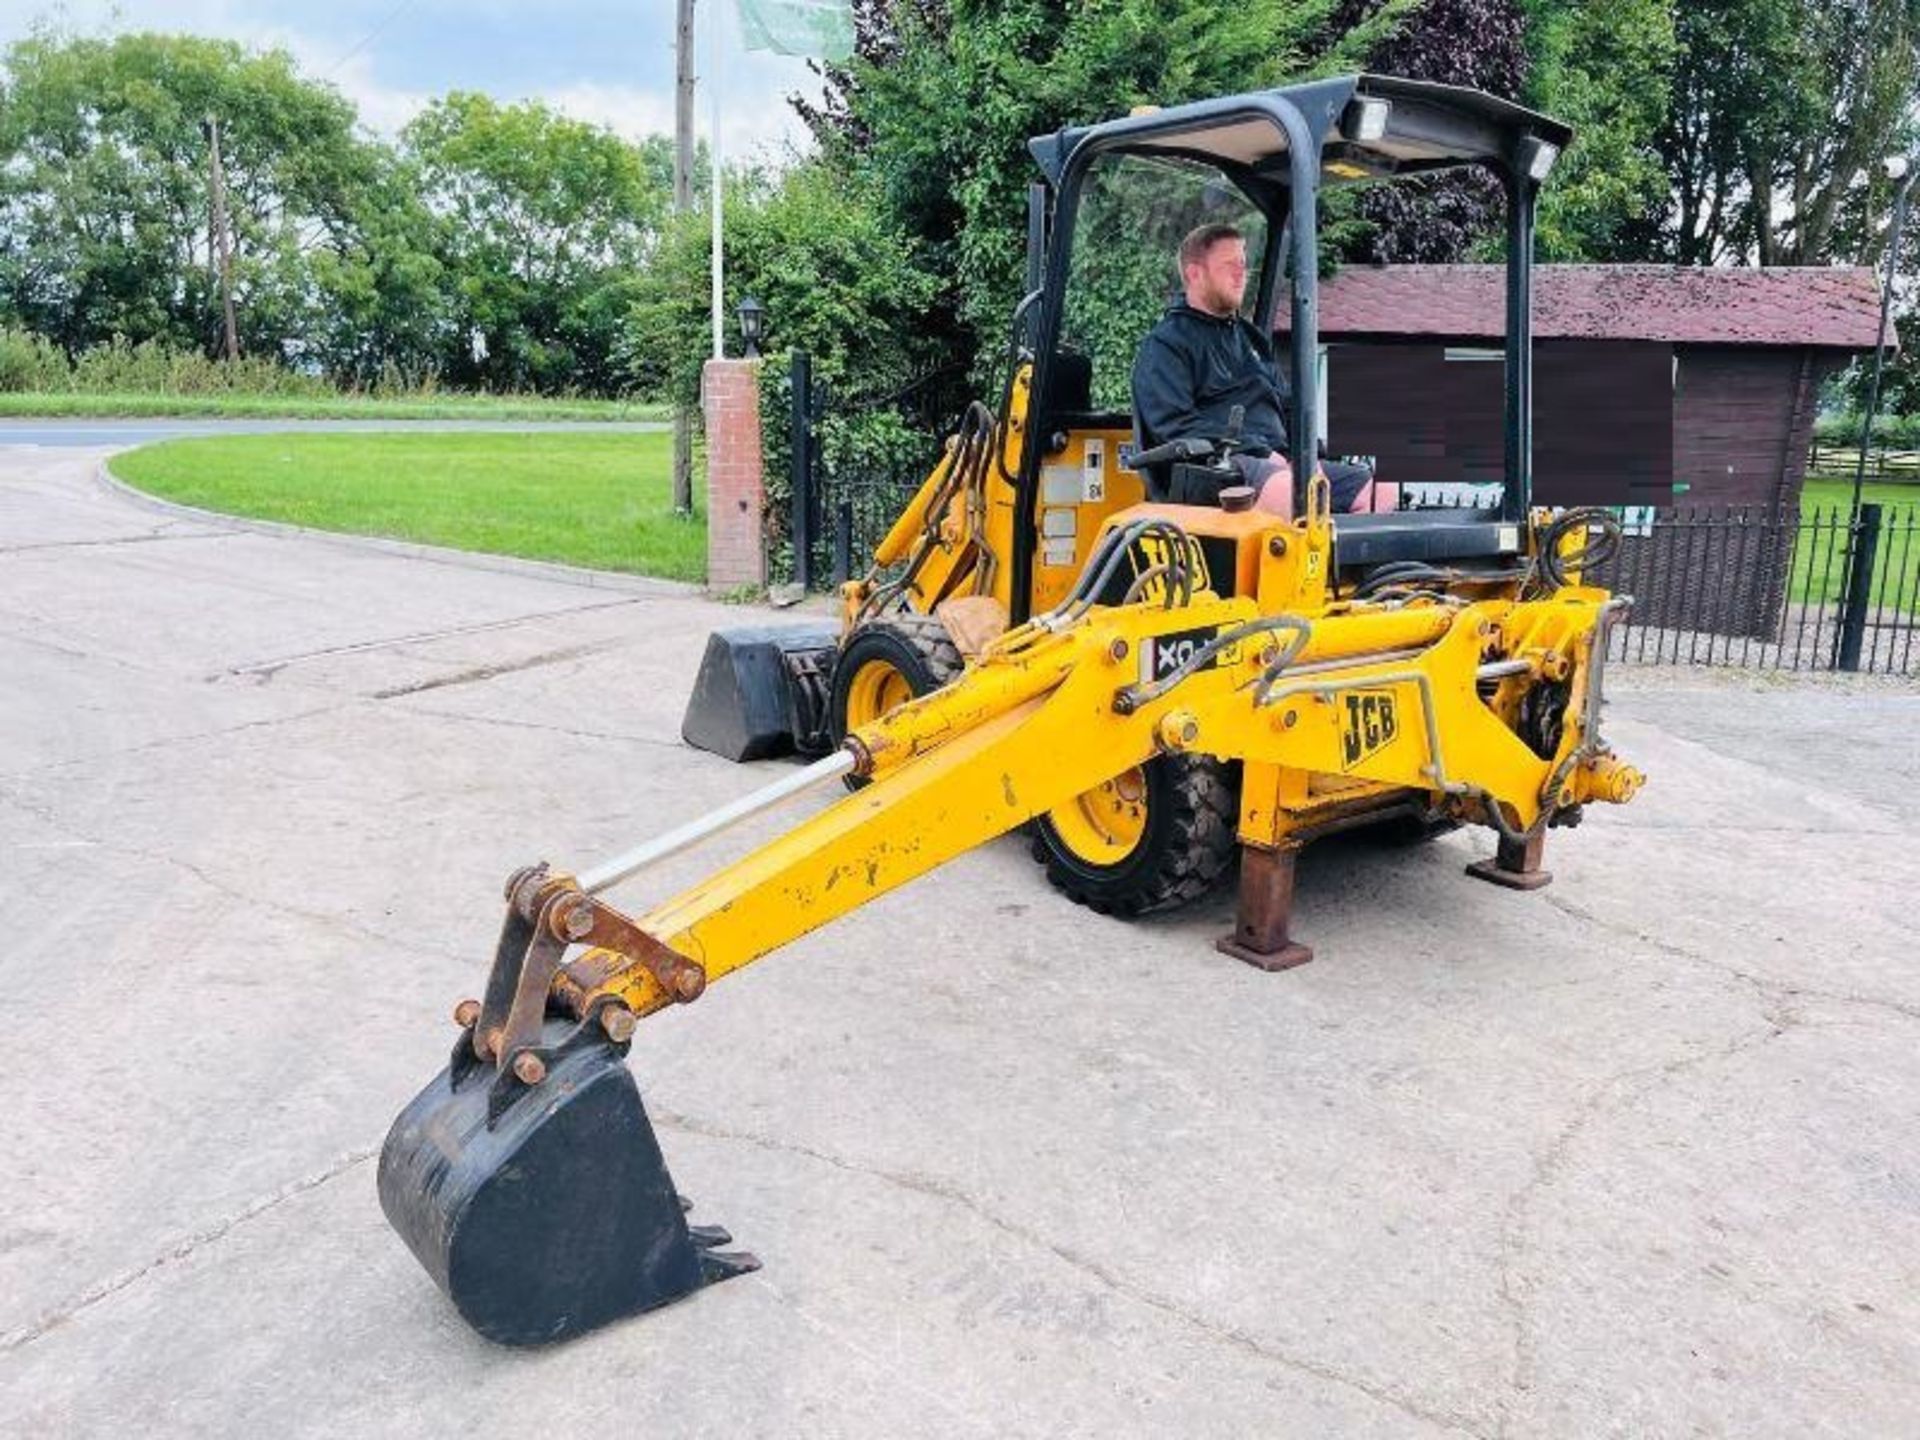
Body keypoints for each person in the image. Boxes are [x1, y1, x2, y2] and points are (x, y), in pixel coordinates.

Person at [1131, 222, 1388, 517]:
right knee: (1285, 489)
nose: (1242, 274)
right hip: (1212, 468)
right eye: (1229, 265)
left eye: (1243, 264)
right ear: (1195, 274)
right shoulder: (1166, 344)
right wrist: (1260, 451)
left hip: (1275, 463)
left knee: (1378, 490)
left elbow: (1287, 406)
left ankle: (1336, 562)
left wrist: (1306, 454)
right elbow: (1173, 427)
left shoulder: (1251, 338)